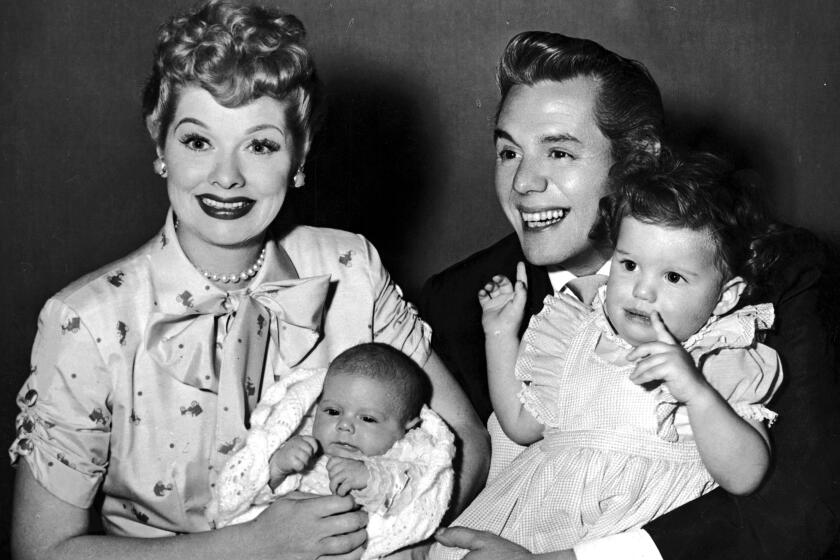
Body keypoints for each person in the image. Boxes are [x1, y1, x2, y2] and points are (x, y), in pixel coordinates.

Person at [9, 2, 488, 559]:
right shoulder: (85, 321)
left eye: (260, 145)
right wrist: (252, 546)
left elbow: (465, 441)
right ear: (160, 145)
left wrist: (397, 537)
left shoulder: (350, 266)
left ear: (299, 154)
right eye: (197, 141)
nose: (228, 176)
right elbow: (42, 551)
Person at [421, 31, 840, 559]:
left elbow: (800, 511)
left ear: (637, 156)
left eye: (559, 151)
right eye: (508, 151)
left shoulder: (780, 276)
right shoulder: (462, 302)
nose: (524, 182)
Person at [430, 151, 784, 560]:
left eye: (672, 277)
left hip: (616, 536)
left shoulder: (715, 356)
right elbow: (520, 425)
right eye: (630, 264)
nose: (642, 290)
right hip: (536, 518)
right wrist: (499, 334)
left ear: (725, 297)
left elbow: (746, 475)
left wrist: (697, 393)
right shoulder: (578, 333)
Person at [209, 342, 454, 560]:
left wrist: (371, 478)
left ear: (406, 428)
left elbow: (417, 497)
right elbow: (249, 496)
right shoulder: (306, 450)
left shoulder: (404, 457)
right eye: (333, 412)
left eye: (367, 418)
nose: (344, 425)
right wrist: (277, 469)